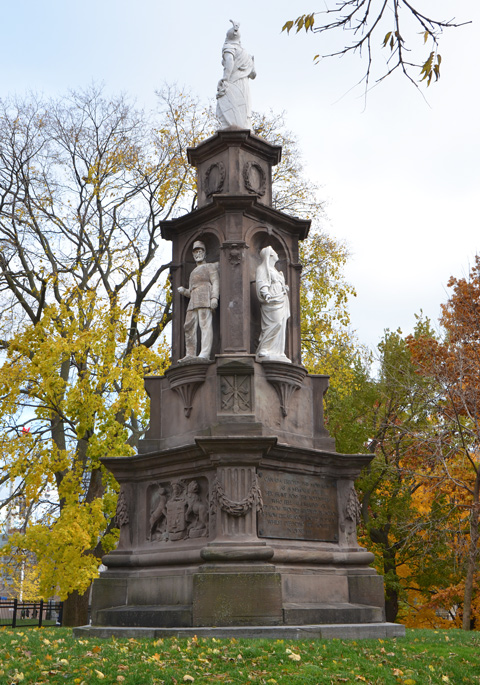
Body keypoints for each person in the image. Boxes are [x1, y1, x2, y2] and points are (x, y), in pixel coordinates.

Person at [178, 241, 219, 360]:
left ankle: (205, 354)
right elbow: (191, 291)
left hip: (205, 296)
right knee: (188, 326)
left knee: (204, 325)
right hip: (193, 300)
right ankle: (190, 354)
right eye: (195, 252)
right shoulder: (192, 272)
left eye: (200, 251)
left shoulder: (210, 266)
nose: (198, 254)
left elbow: (216, 282)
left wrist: (214, 297)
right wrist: (184, 291)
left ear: (205, 253)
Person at [216, 20, 256, 129]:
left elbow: (229, 61)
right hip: (244, 84)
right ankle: (245, 127)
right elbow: (253, 74)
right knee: (244, 107)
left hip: (233, 82)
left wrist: (225, 79)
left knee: (228, 104)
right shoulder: (246, 54)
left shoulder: (229, 47)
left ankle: (228, 127)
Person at [256, 246, 291, 362]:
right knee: (274, 324)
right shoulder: (263, 268)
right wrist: (266, 293)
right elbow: (262, 282)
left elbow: (278, 283)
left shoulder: (275, 270)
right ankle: (264, 348)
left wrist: (283, 288)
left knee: (281, 324)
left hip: (281, 299)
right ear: (270, 255)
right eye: (275, 252)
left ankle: (277, 351)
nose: (277, 254)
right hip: (271, 301)